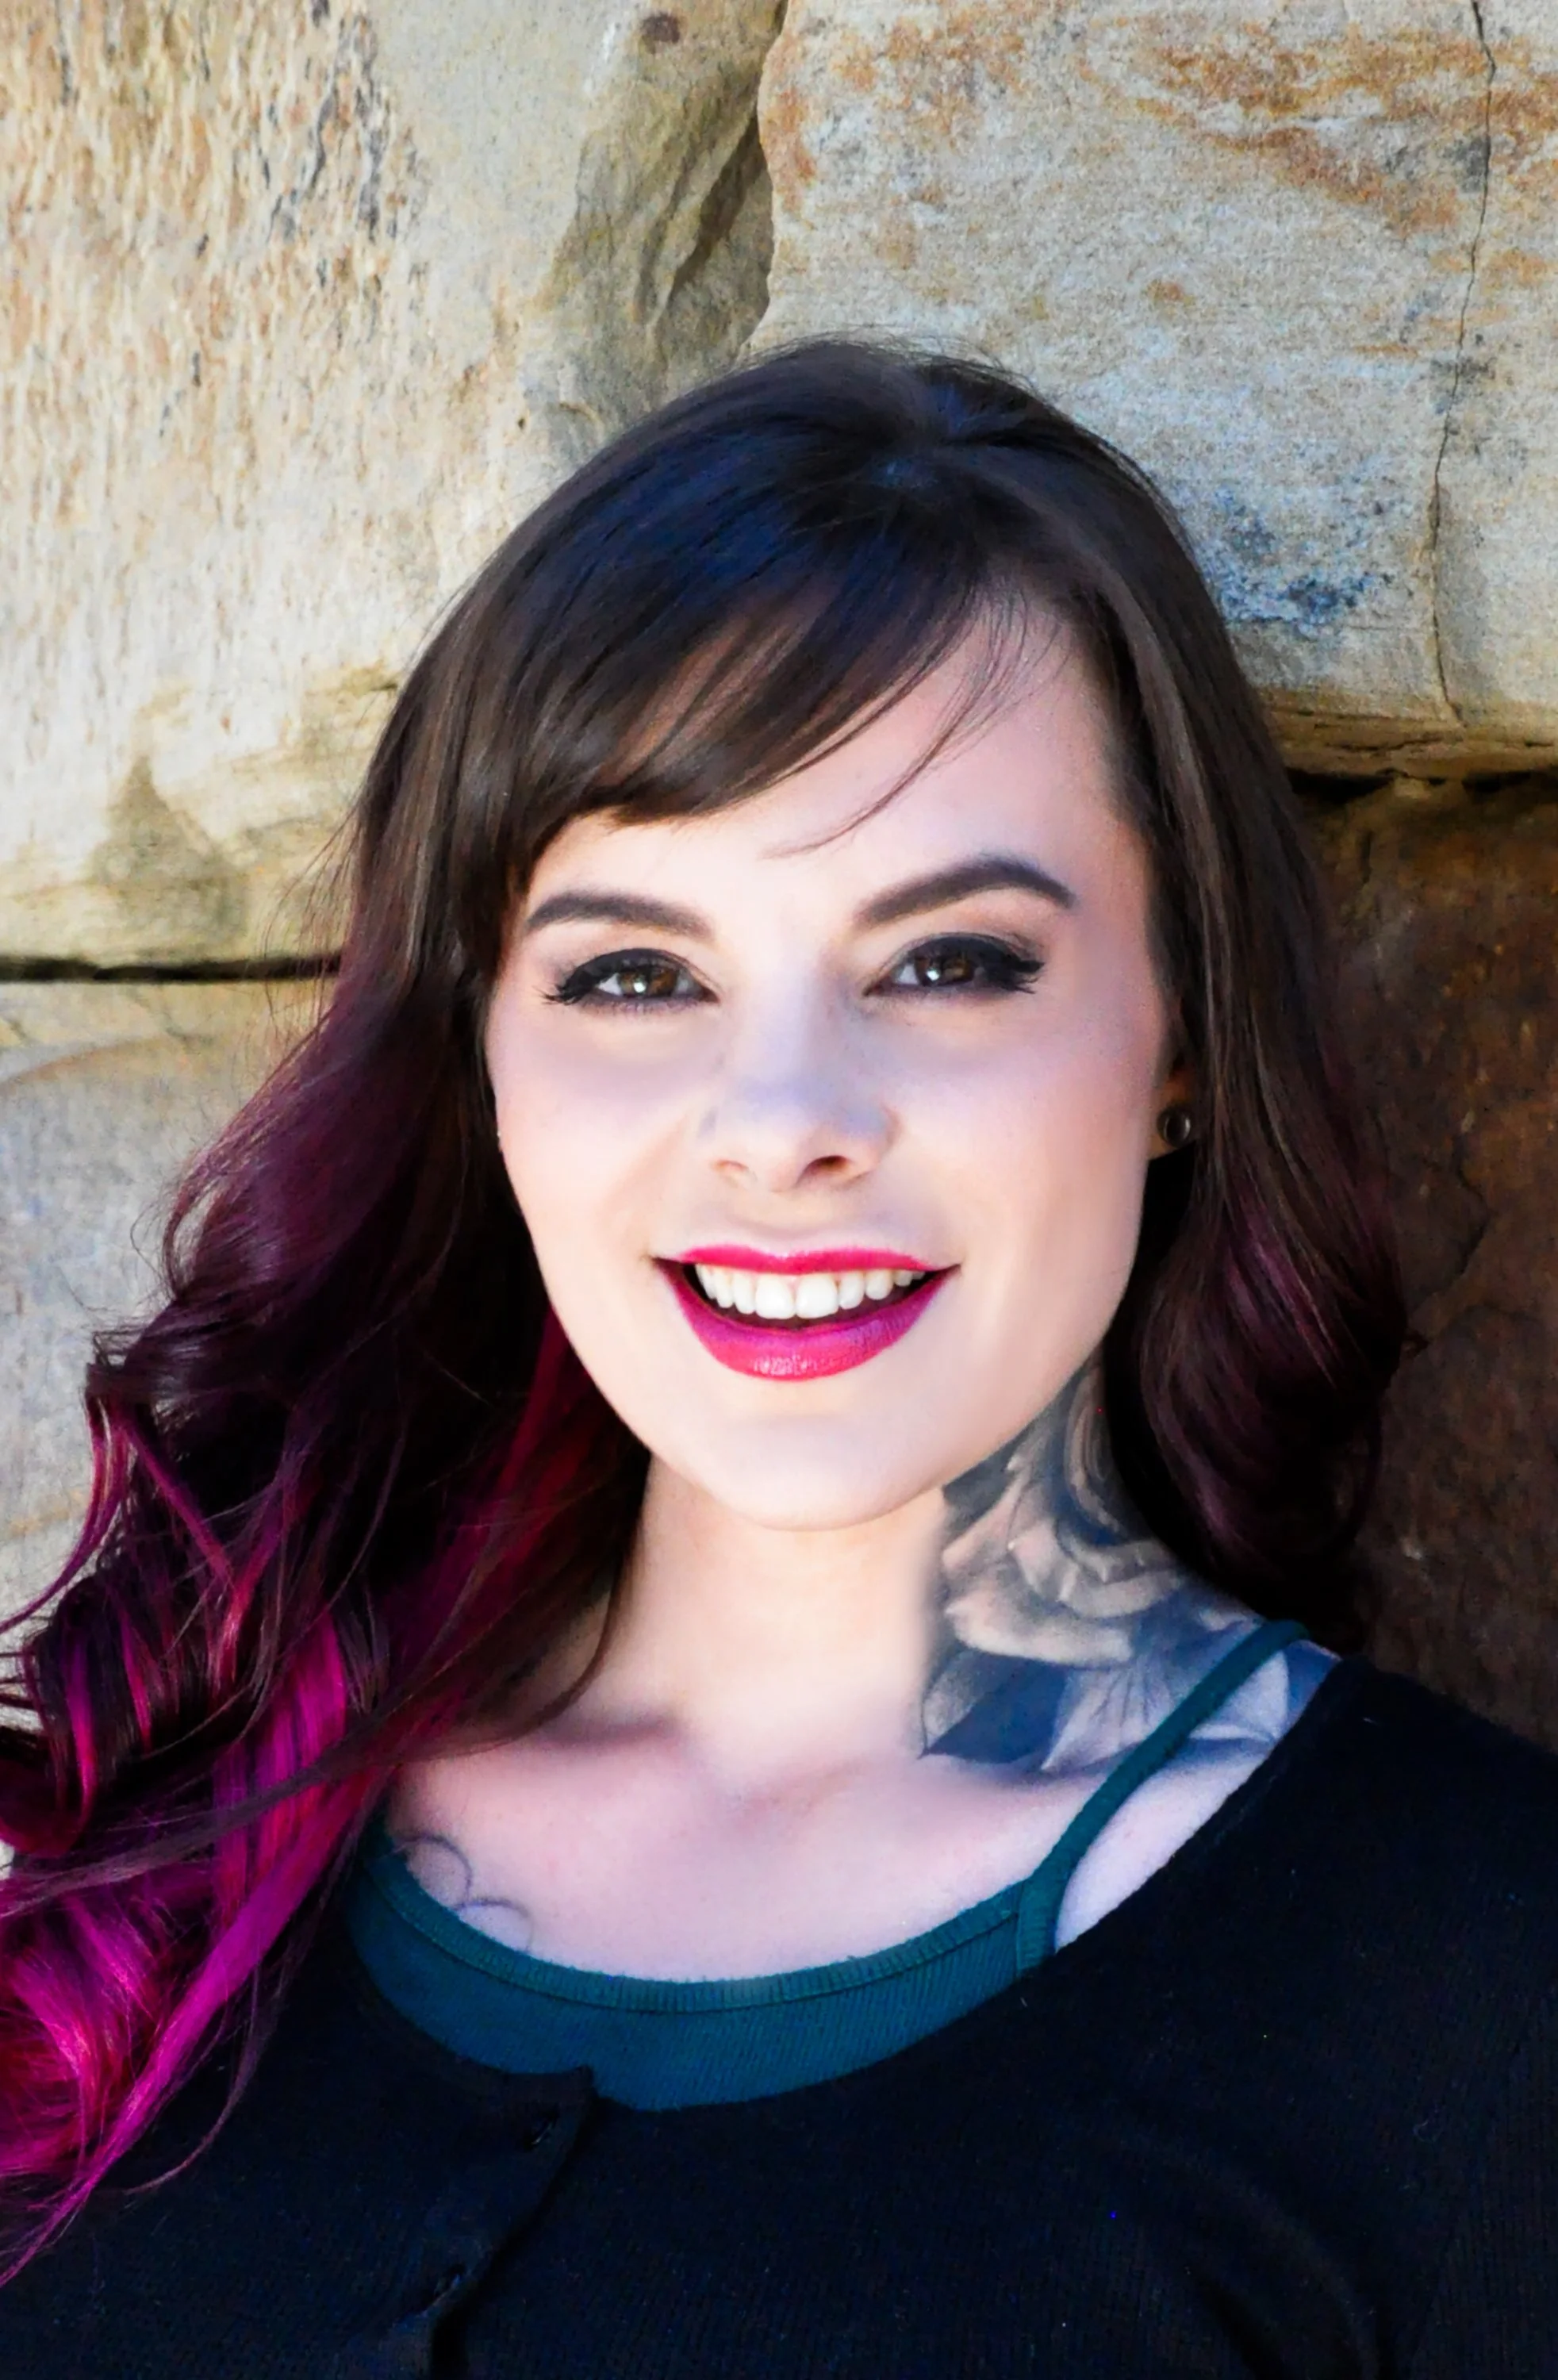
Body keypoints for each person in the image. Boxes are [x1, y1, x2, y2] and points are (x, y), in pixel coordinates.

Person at [2, 340, 1555, 2380]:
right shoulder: (180, 1838)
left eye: (946, 961)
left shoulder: (1478, 1977)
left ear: (1180, 1038)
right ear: (484, 1055)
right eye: (636, 972)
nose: (781, 1117)